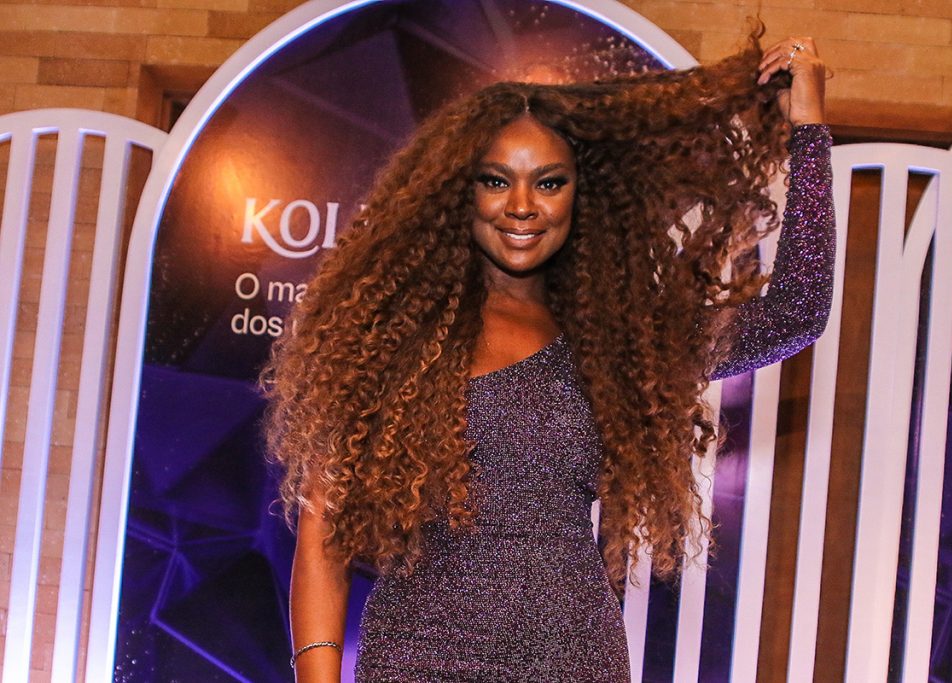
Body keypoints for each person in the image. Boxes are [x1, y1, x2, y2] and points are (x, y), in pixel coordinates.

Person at [261, 29, 833, 683]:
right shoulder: (393, 331)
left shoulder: (616, 336)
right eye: (496, 180)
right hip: (419, 658)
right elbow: (324, 534)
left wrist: (809, 129)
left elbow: (796, 312)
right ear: (459, 190)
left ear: (580, 195)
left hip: (573, 659)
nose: (522, 206)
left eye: (549, 182)